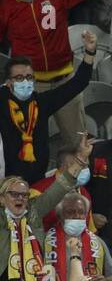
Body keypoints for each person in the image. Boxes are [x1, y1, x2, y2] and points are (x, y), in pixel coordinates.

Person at [0, 0, 102, 143]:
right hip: (29, 86)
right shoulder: (6, 7)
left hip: (65, 81)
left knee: (78, 144)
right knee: (29, 147)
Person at [0, 164, 81, 281]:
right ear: (3, 198)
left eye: (24, 195)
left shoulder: (33, 213)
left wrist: (78, 162)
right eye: (14, 194)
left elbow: (58, 190)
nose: (21, 198)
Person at [0, 42, 94, 183]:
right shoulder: (1, 101)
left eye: (29, 77)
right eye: (19, 78)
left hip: (37, 178)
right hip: (6, 181)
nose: (25, 81)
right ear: (8, 82)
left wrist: (90, 53)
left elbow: (78, 83)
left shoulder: (42, 101)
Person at [45, 190, 112, 281]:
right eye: (70, 212)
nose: (76, 216)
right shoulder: (45, 241)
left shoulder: (98, 242)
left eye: (81, 212)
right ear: (60, 215)